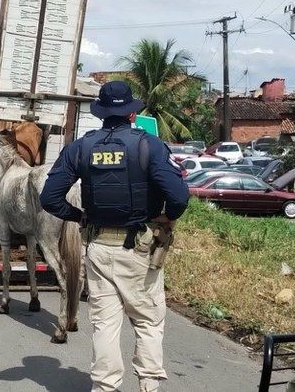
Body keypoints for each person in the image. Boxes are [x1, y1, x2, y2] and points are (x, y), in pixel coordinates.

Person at [40, 81, 189, 392]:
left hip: (97, 248)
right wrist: (167, 218)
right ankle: (148, 386)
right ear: (132, 114)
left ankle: (105, 388)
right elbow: (178, 196)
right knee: (147, 321)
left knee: (104, 325)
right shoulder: (149, 146)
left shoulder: (80, 148)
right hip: (138, 250)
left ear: (102, 114)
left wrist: (79, 216)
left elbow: (50, 198)